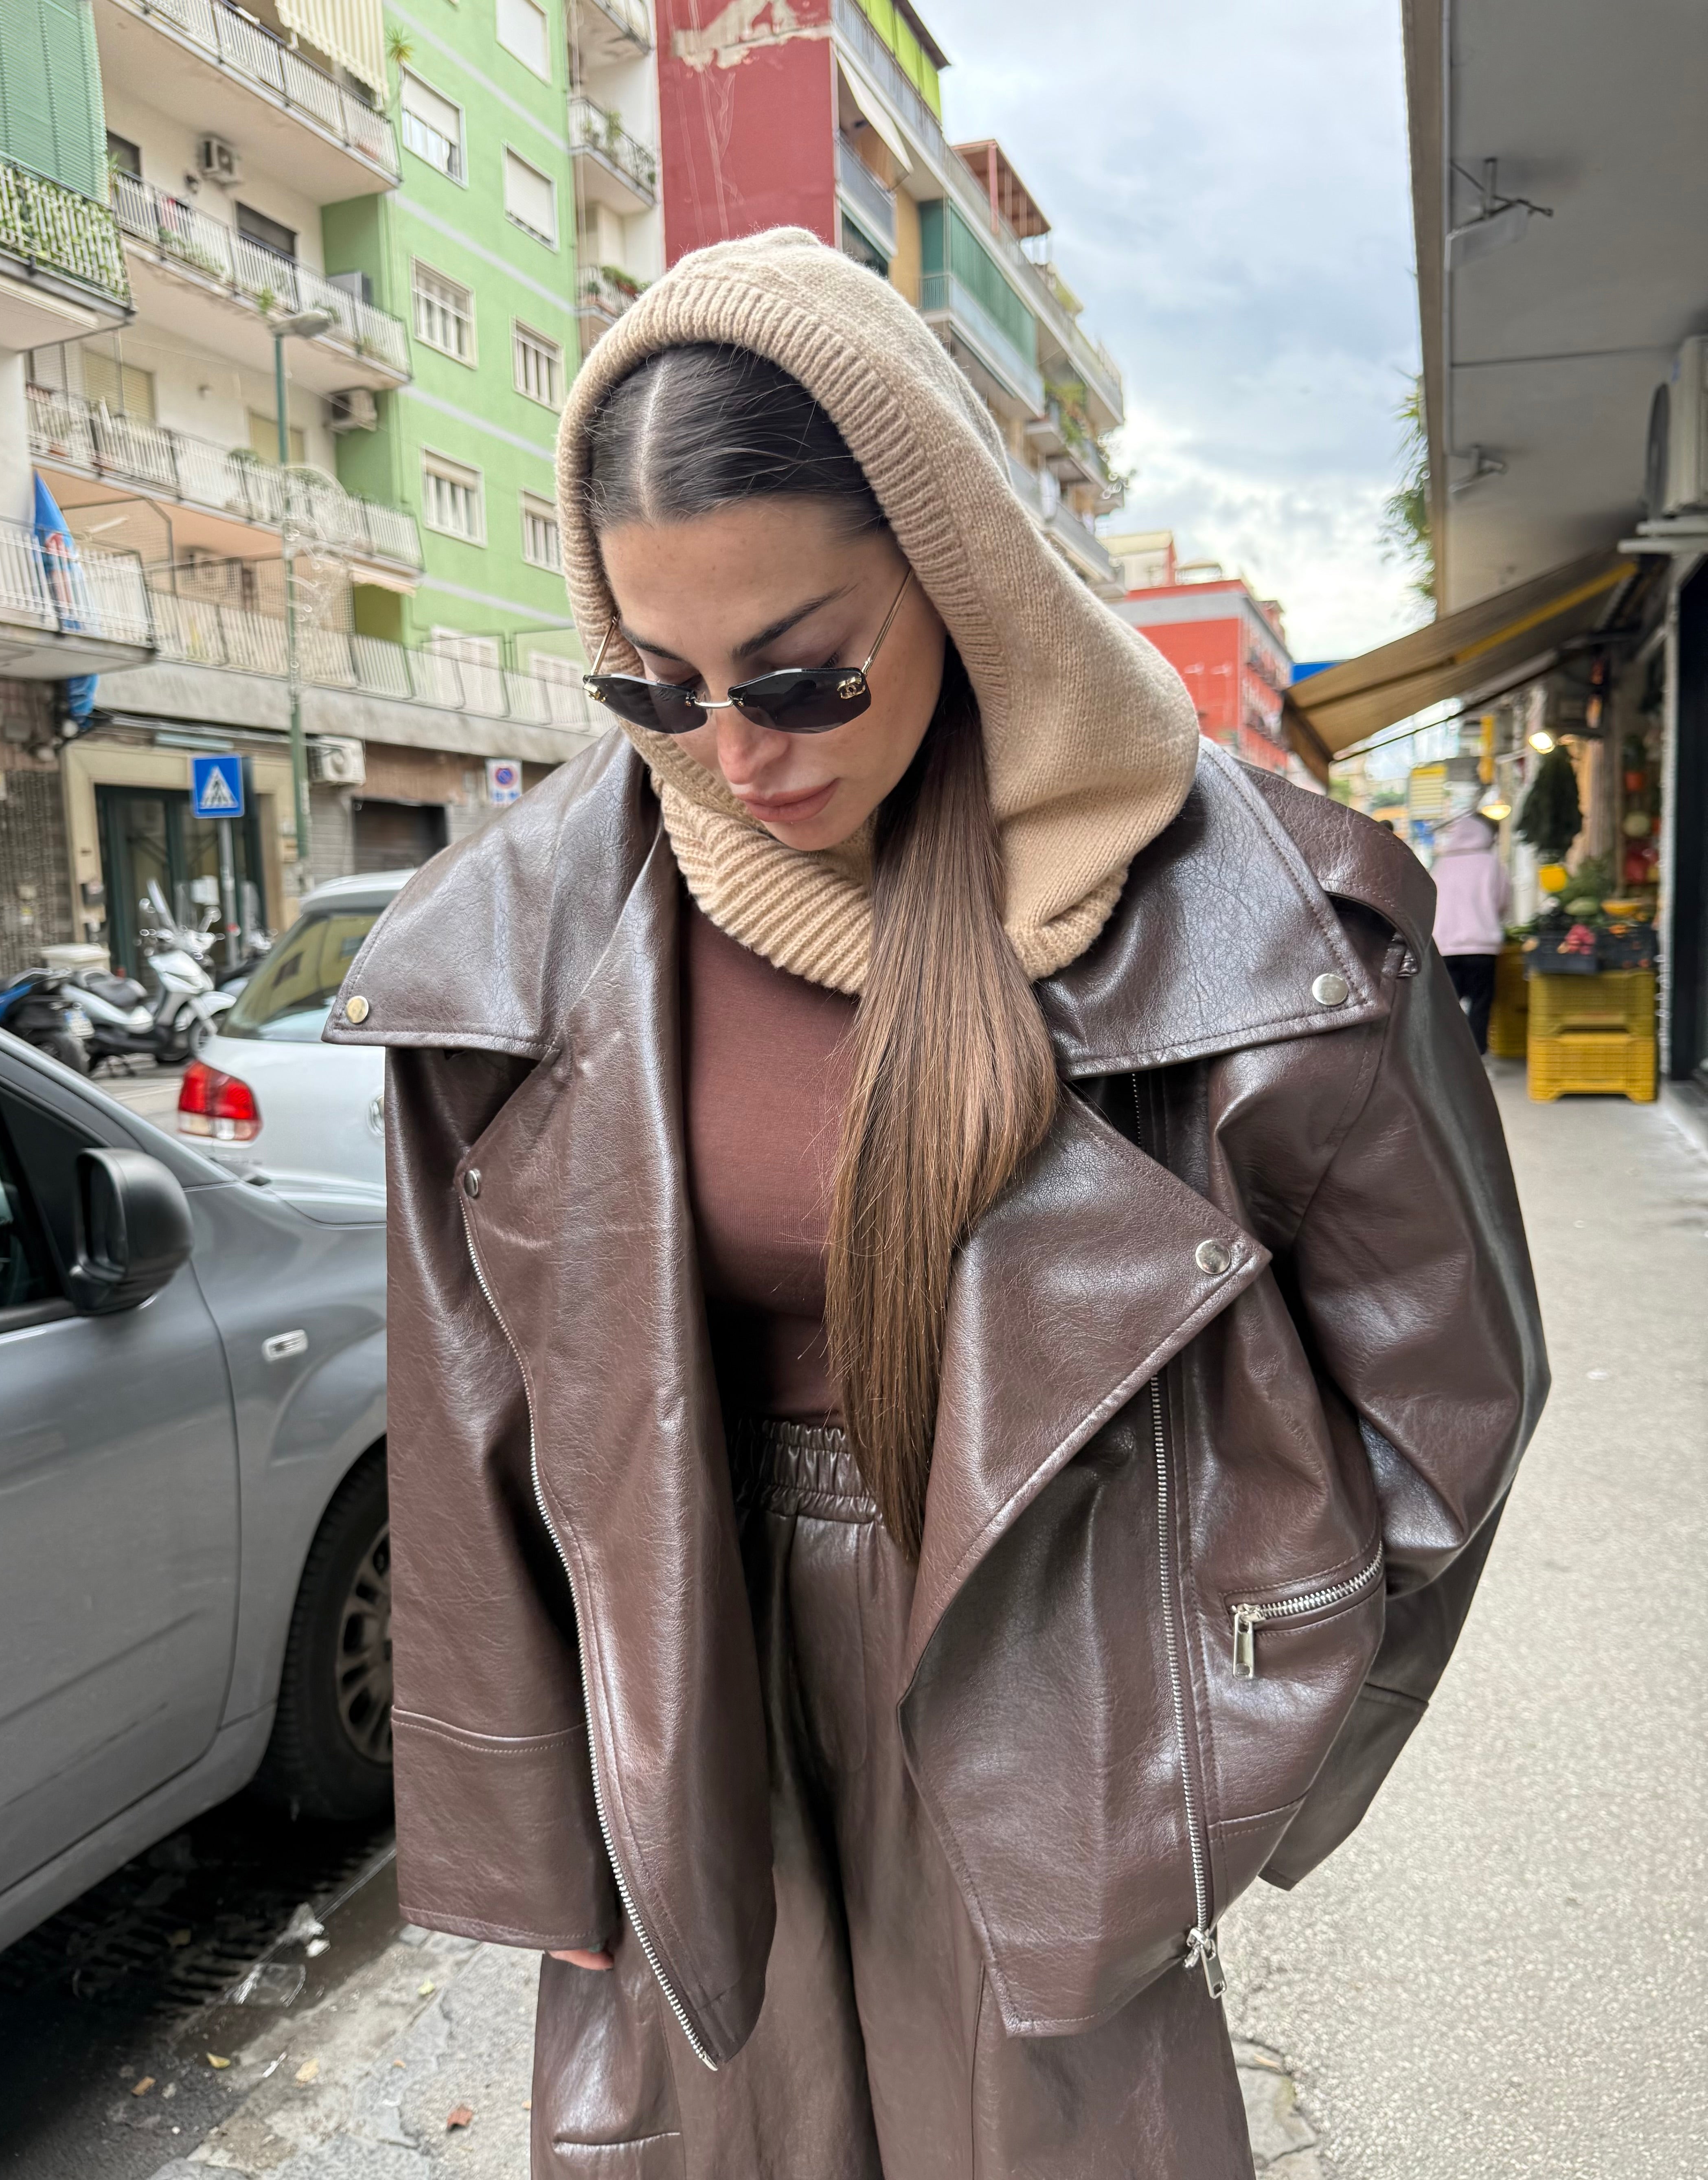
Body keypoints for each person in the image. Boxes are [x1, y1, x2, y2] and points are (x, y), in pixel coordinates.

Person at [327, 231, 1546, 2179]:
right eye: (654, 683)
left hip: (1056, 1676)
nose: (735, 754)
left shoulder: (1259, 921)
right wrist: (530, 1837)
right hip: (681, 1679)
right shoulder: (510, 938)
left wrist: (1231, 1730)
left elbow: (1447, 1389)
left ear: (950, 567)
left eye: (800, 673)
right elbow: (465, 1421)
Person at [1432, 810, 1511, 1053]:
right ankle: (1477, 1054)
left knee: (1447, 1005)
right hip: (1482, 946)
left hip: (1445, 947)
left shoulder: (1442, 865)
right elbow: (1503, 902)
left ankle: (1446, 1052)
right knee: (1480, 1002)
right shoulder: (1491, 863)